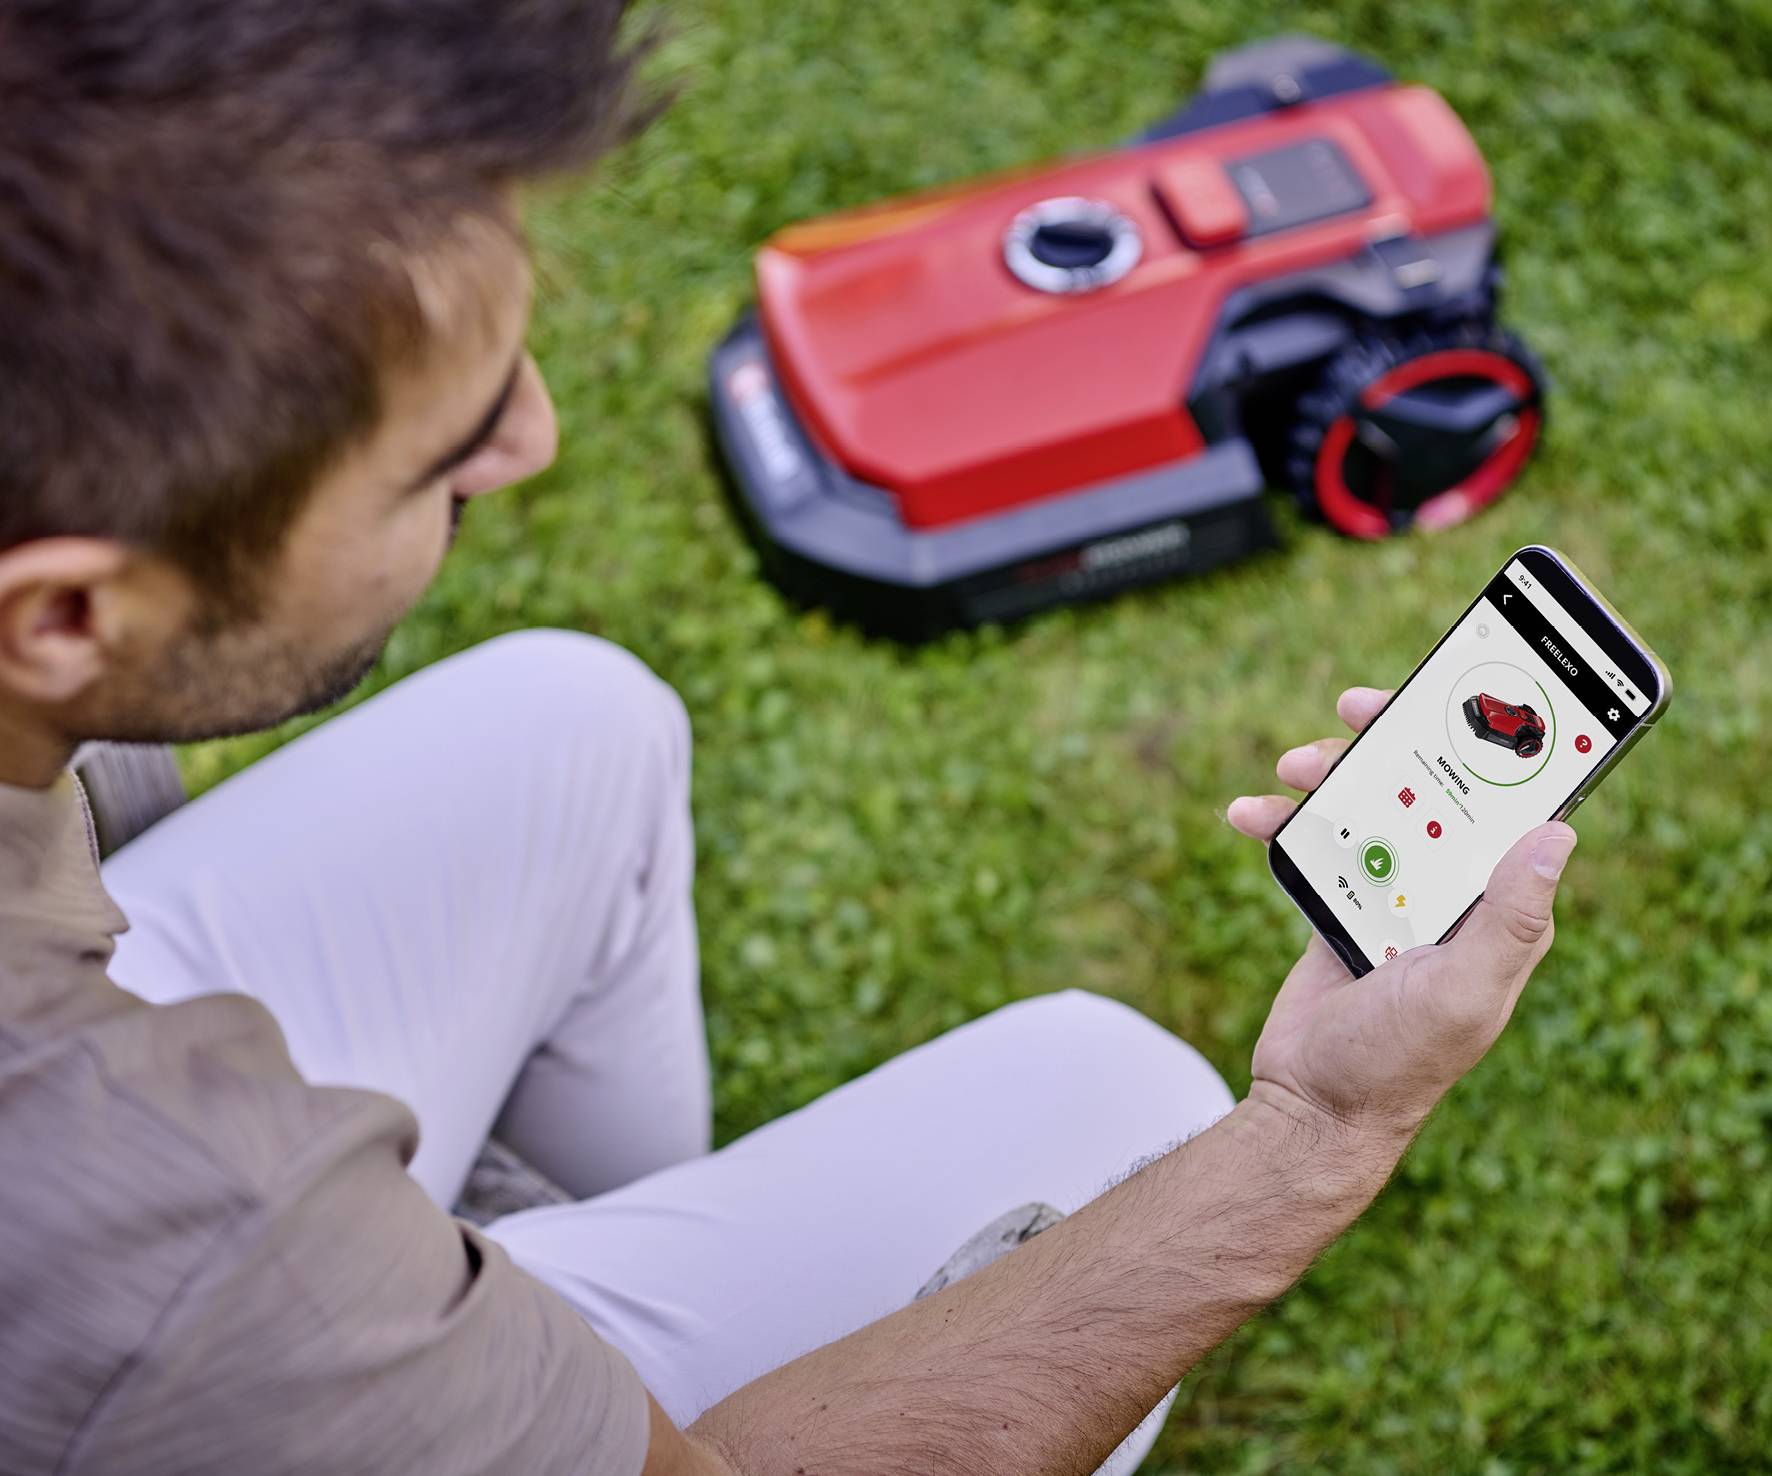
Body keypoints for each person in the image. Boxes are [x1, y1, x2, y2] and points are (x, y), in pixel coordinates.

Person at [0, 4, 1578, 1473]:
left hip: (129, 1105)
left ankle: (569, 1268)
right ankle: (506, 1337)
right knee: (1122, 1096)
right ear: (67, 616)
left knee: (581, 720)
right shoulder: (165, 1232)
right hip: (153, 1283)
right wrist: (1320, 1130)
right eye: (442, 452)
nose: (535, 439)